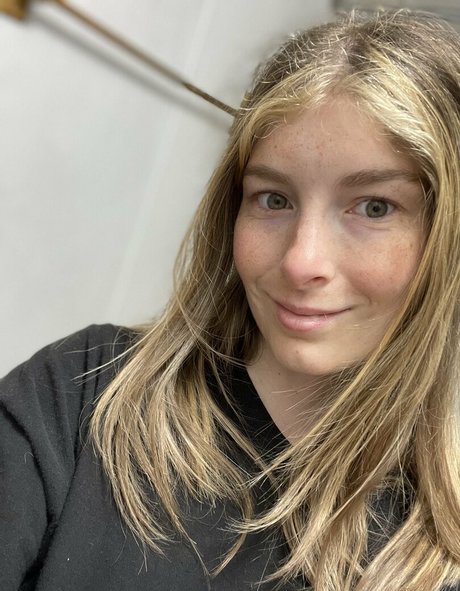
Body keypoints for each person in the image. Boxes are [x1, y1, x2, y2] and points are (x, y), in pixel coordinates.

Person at [2, 8, 460, 591]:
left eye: (374, 207)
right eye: (273, 199)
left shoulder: (438, 554)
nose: (301, 261)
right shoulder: (85, 397)